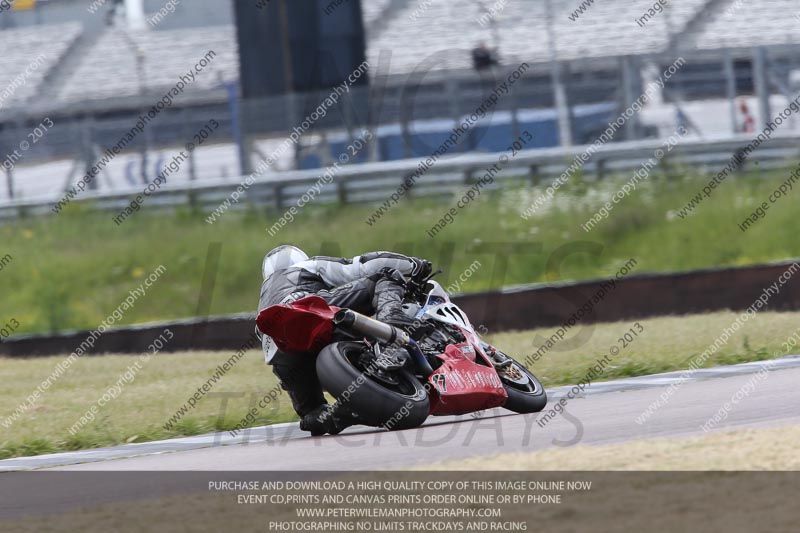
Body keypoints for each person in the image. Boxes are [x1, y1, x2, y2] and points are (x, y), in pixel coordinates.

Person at [256, 245, 432, 436]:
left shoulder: (263, 305)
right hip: (310, 310)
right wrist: (414, 265)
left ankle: (334, 416)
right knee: (387, 275)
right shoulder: (304, 266)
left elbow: (272, 354)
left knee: (314, 416)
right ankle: (392, 318)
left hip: (283, 356)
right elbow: (362, 265)